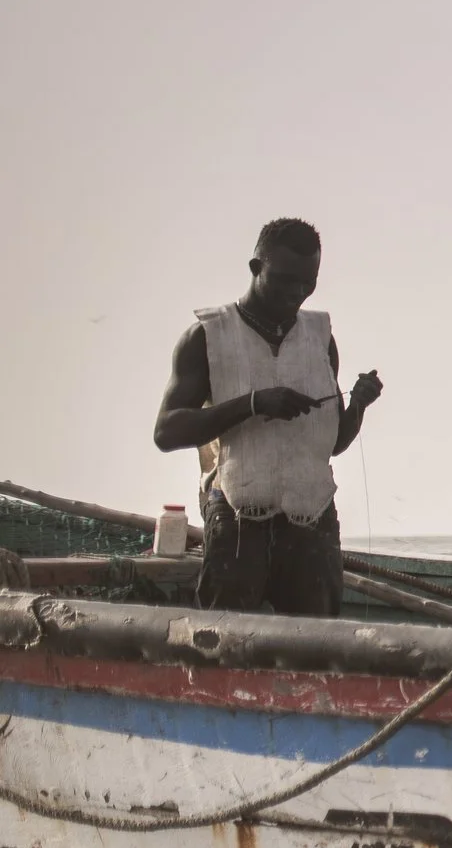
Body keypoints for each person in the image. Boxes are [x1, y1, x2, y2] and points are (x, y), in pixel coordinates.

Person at [153, 219, 383, 616]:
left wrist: (359, 404)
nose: (296, 292)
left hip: (312, 517)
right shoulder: (208, 336)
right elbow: (166, 431)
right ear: (255, 267)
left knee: (319, 648)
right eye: (284, 279)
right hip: (238, 516)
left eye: (307, 283)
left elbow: (332, 444)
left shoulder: (320, 336)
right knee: (224, 643)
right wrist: (254, 403)